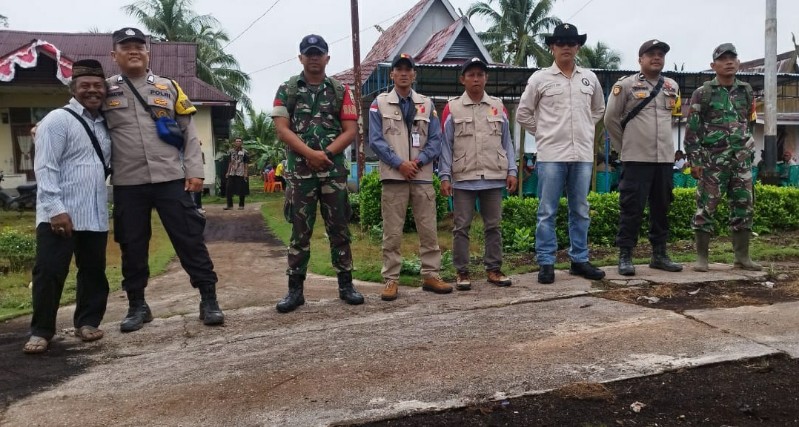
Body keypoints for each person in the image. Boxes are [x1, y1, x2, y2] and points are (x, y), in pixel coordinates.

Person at [103, 27, 224, 332]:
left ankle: (208, 299)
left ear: (148, 52)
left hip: (171, 179)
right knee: (132, 244)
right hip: (128, 183)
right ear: (114, 54)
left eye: (139, 46)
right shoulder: (105, 91)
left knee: (190, 240)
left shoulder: (169, 87)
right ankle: (137, 305)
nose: (133, 51)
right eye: (125, 47)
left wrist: (196, 172)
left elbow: (189, 131)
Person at [271, 34, 363, 312]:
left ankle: (346, 286)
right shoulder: (287, 89)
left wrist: (327, 155)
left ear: (327, 58)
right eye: (308, 53)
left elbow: (351, 130)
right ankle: (295, 291)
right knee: (300, 233)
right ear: (300, 58)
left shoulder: (340, 90)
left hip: (333, 174)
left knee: (340, 230)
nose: (313, 57)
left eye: (318, 53)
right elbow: (282, 129)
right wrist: (310, 155)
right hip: (300, 174)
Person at [24, 59, 112, 354]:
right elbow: (45, 167)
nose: (92, 91)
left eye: (98, 86)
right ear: (73, 88)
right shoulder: (57, 120)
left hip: (95, 214)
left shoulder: (104, 124)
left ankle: (87, 322)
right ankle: (41, 331)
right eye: (85, 85)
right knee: (49, 272)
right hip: (60, 214)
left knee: (93, 271)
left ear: (104, 90)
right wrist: (55, 209)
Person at [516, 23, 606, 284]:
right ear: (552, 47)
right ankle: (546, 262)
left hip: (581, 156)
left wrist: (586, 128)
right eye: (561, 43)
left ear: (578, 47)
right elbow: (523, 113)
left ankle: (579, 260)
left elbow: (598, 109)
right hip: (551, 154)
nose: (566, 47)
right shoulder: (540, 79)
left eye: (571, 43)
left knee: (580, 209)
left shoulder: (589, 78)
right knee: (547, 211)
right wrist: (543, 133)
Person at [368, 53, 452, 301]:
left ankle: (431, 275)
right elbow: (375, 140)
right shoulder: (379, 103)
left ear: (414, 74)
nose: (404, 73)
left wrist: (417, 162)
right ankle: (391, 280)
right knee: (392, 232)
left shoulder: (427, 104)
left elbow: (436, 140)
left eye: (408, 69)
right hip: (394, 177)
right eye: (399, 69)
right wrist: (399, 164)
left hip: (422, 176)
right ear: (391, 74)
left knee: (429, 230)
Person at [604, 39, 684, 276]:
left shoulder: (672, 85)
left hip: (664, 160)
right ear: (640, 59)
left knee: (661, 207)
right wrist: (625, 147)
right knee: (632, 209)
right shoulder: (626, 85)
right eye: (651, 54)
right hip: (636, 159)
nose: (656, 57)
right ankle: (625, 255)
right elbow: (610, 119)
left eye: (660, 54)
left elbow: (673, 118)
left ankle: (659, 255)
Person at [440, 57, 518, 290]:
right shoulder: (451, 107)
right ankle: (462, 272)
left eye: (480, 74)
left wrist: (512, 170)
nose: (476, 78)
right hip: (463, 178)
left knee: (493, 226)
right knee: (461, 227)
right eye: (471, 75)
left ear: (486, 78)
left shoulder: (498, 105)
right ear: (462, 79)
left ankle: (493, 269)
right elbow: (446, 144)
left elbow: (507, 142)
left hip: (493, 177)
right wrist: (445, 176)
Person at [684, 43, 761, 272]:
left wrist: (747, 148)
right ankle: (702, 259)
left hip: (740, 161)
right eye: (723, 59)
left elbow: (748, 120)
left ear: (738, 63)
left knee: (744, 206)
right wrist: (695, 160)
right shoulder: (704, 92)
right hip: (712, 162)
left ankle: (742, 258)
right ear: (713, 65)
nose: (729, 62)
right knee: (706, 207)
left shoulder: (746, 90)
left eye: (732, 58)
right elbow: (693, 129)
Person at [224, 137, 249, 210]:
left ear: (241, 143)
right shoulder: (231, 151)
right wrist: (228, 172)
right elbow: (230, 162)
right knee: (228, 188)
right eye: (237, 141)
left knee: (241, 190)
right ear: (234, 143)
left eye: (239, 141)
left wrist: (245, 173)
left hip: (241, 173)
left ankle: (241, 205)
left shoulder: (245, 152)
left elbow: (246, 163)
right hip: (232, 172)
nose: (238, 142)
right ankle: (230, 205)